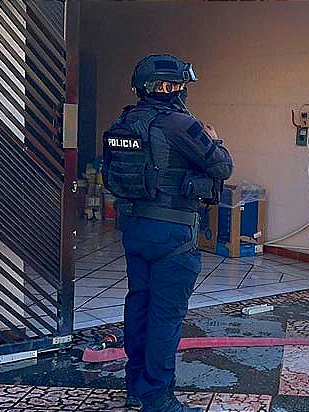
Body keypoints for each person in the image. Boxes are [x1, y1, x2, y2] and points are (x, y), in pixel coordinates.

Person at [102, 54, 233, 412]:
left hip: (135, 228)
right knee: (165, 315)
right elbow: (222, 165)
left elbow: (109, 175)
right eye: (181, 85)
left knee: (139, 307)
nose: (183, 92)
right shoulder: (179, 124)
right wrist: (214, 140)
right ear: (166, 86)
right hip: (174, 233)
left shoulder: (122, 124)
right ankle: (158, 397)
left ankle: (135, 386)